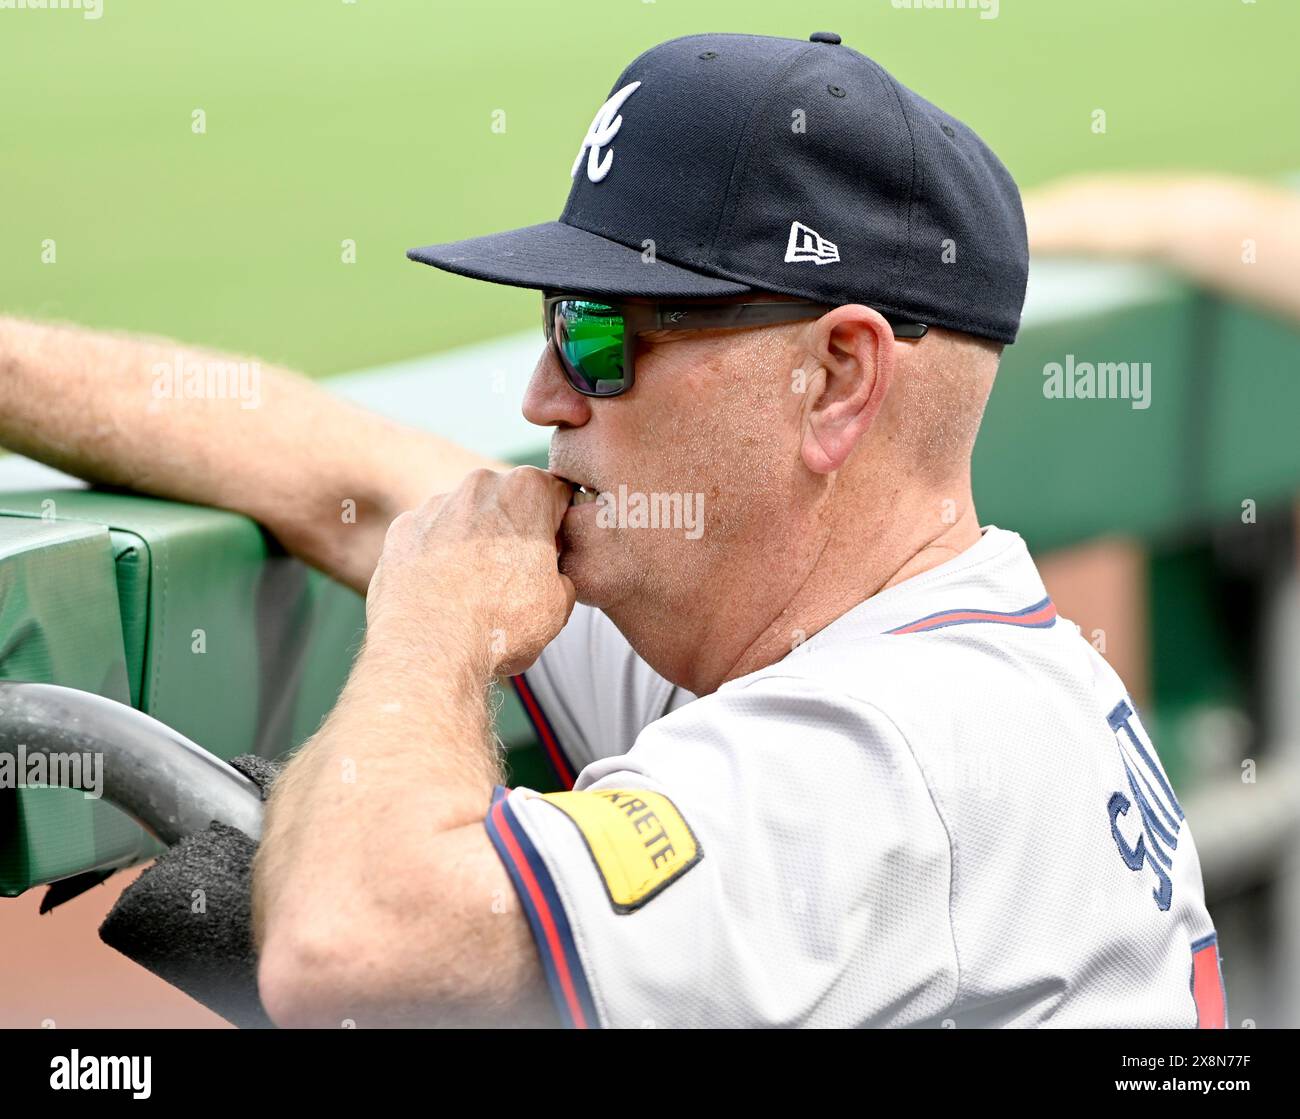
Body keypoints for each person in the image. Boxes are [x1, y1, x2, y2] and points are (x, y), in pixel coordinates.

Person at [0, 32, 1225, 1028]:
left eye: (601, 335)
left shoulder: (882, 755)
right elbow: (343, 472)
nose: (543, 394)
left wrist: (433, 630)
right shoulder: (835, 634)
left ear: (838, 379)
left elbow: (352, 954)